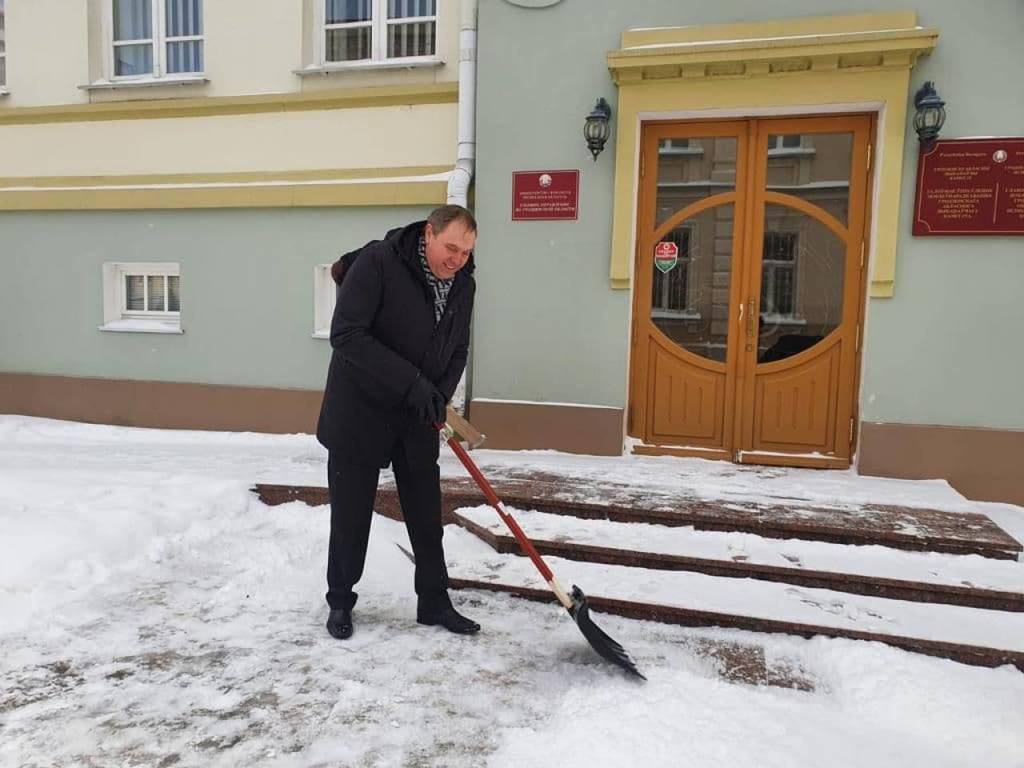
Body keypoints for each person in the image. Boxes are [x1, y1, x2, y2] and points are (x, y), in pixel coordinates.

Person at [316, 204, 479, 640]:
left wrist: (438, 394)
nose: (457, 259)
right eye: (451, 248)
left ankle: (435, 601)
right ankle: (340, 600)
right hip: (360, 411)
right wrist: (414, 384)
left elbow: (458, 346)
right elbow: (347, 334)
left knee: (426, 513)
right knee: (351, 515)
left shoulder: (464, 283)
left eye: (465, 252)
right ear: (429, 233)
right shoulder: (379, 263)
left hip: (415, 416)